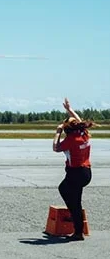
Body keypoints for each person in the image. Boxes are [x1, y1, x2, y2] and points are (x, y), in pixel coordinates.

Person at [53, 98, 94, 241]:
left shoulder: (70, 140)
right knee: (75, 198)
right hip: (86, 172)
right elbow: (79, 121)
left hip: (75, 173)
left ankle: (77, 230)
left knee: (65, 191)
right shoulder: (83, 134)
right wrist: (69, 109)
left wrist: (57, 132)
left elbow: (55, 148)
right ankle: (77, 226)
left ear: (68, 130)